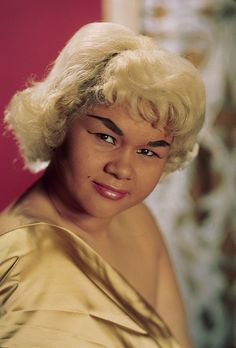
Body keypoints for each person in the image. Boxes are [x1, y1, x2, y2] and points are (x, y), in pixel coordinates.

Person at [0, 22, 205, 348]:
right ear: (59, 119)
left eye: (148, 151)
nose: (122, 168)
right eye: (106, 137)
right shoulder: (30, 261)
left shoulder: (136, 219)